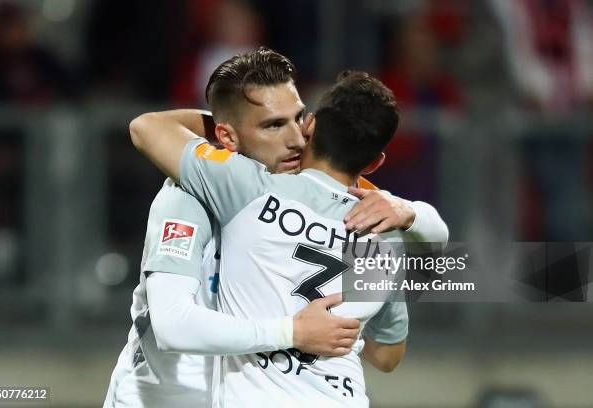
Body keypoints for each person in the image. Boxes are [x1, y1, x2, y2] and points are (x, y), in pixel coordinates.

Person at [131, 50, 448, 405]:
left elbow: (384, 352)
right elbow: (174, 325)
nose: (296, 139)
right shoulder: (191, 190)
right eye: (273, 125)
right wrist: (295, 332)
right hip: (165, 397)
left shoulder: (370, 215)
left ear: (312, 124)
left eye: (298, 119)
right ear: (227, 136)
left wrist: (408, 210)